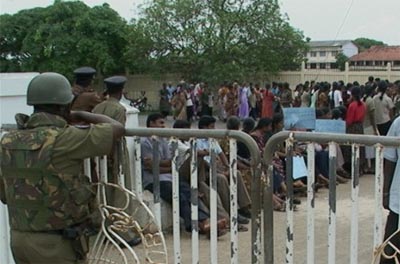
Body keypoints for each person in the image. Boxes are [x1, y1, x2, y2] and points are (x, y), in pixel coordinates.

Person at [0, 72, 125, 263]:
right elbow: (117, 129)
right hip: (56, 243)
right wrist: (82, 114)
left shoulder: (8, 140)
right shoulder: (63, 138)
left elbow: (4, 194)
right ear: (64, 106)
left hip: (19, 239)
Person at [140, 113, 221, 234]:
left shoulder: (162, 140)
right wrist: (163, 165)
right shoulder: (145, 142)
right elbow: (151, 168)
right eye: (160, 123)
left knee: (191, 192)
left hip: (170, 177)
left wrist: (158, 164)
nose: (163, 126)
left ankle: (204, 222)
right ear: (151, 123)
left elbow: (170, 162)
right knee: (179, 197)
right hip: (154, 180)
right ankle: (197, 225)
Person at [92, 76, 141, 247]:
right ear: (121, 91)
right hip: (115, 153)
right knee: (121, 193)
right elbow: (116, 133)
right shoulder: (118, 109)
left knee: (105, 193)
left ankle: (106, 229)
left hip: (99, 153)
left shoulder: (98, 107)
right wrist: (114, 158)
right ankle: (121, 233)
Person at [381, 116, 400, 264]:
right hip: (398, 202)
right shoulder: (399, 123)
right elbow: (390, 159)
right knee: (390, 253)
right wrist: (386, 192)